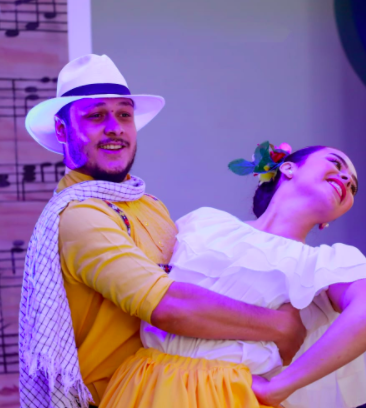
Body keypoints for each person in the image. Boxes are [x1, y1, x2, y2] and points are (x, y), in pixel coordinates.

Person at [18, 55, 307, 408]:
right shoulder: (81, 215)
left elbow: (205, 279)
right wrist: (281, 327)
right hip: (122, 398)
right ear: (62, 131)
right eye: (96, 116)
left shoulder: (148, 203)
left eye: (124, 114)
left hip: (181, 390)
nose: (115, 127)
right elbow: (170, 305)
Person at [101, 143, 366, 408]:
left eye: (352, 186)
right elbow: (150, 292)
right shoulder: (205, 221)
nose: (346, 179)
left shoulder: (326, 262)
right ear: (288, 168)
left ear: (329, 220)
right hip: (146, 382)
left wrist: (280, 387)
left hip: (231, 393)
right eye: (336, 164)